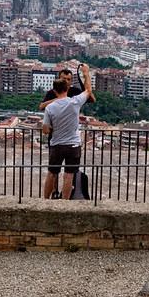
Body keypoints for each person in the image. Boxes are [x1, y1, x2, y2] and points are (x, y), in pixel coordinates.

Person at [41, 63, 94, 199]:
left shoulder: (50, 108)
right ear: (66, 88)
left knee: (52, 172)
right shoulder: (74, 101)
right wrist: (86, 73)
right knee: (69, 174)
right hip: (73, 144)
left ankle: (45, 201)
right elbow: (88, 92)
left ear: (55, 90)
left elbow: (45, 130)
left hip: (56, 143)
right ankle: (64, 203)